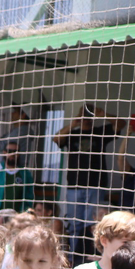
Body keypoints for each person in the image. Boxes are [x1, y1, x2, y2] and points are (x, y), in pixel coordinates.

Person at [55, 105, 118, 259]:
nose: (87, 119)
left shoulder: (99, 132)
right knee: (75, 225)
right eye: (84, 115)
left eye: (89, 116)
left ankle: (92, 256)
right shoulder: (72, 134)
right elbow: (56, 138)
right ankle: (73, 258)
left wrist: (104, 114)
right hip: (74, 186)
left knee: (93, 225)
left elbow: (120, 124)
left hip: (96, 185)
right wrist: (73, 124)